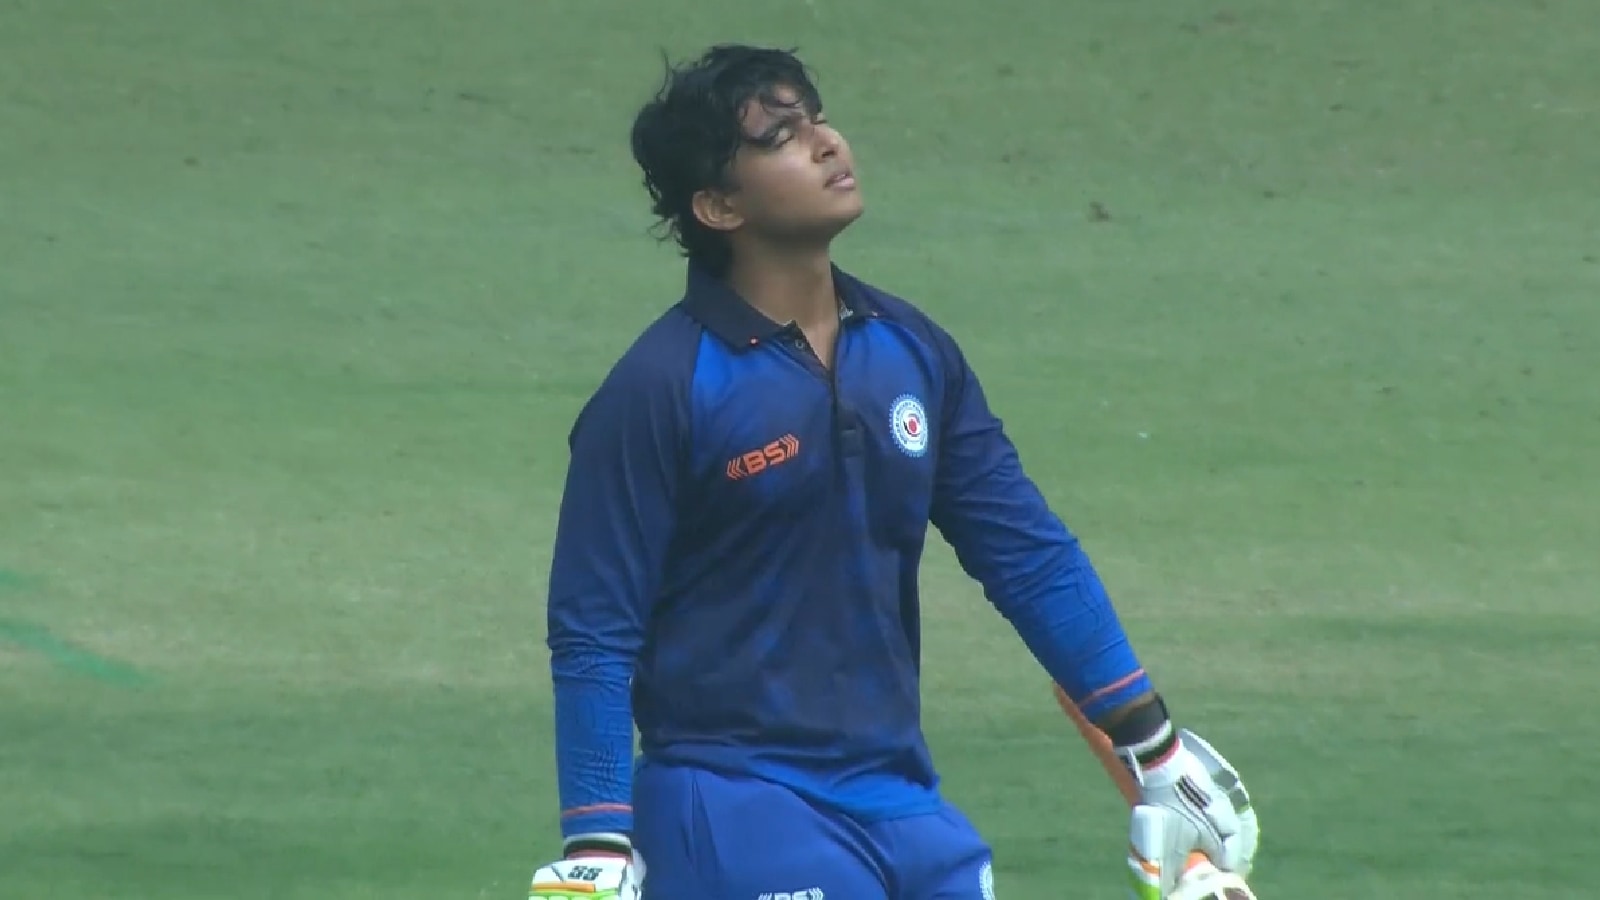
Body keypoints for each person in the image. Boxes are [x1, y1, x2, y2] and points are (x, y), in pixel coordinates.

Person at [528, 44, 1259, 900]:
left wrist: (1155, 749)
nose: (827, 142)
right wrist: (598, 839)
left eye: (818, 119)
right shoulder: (660, 389)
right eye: (780, 137)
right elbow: (594, 629)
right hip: (734, 801)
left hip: (906, 806)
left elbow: (1027, 556)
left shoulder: (912, 351)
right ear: (719, 205)